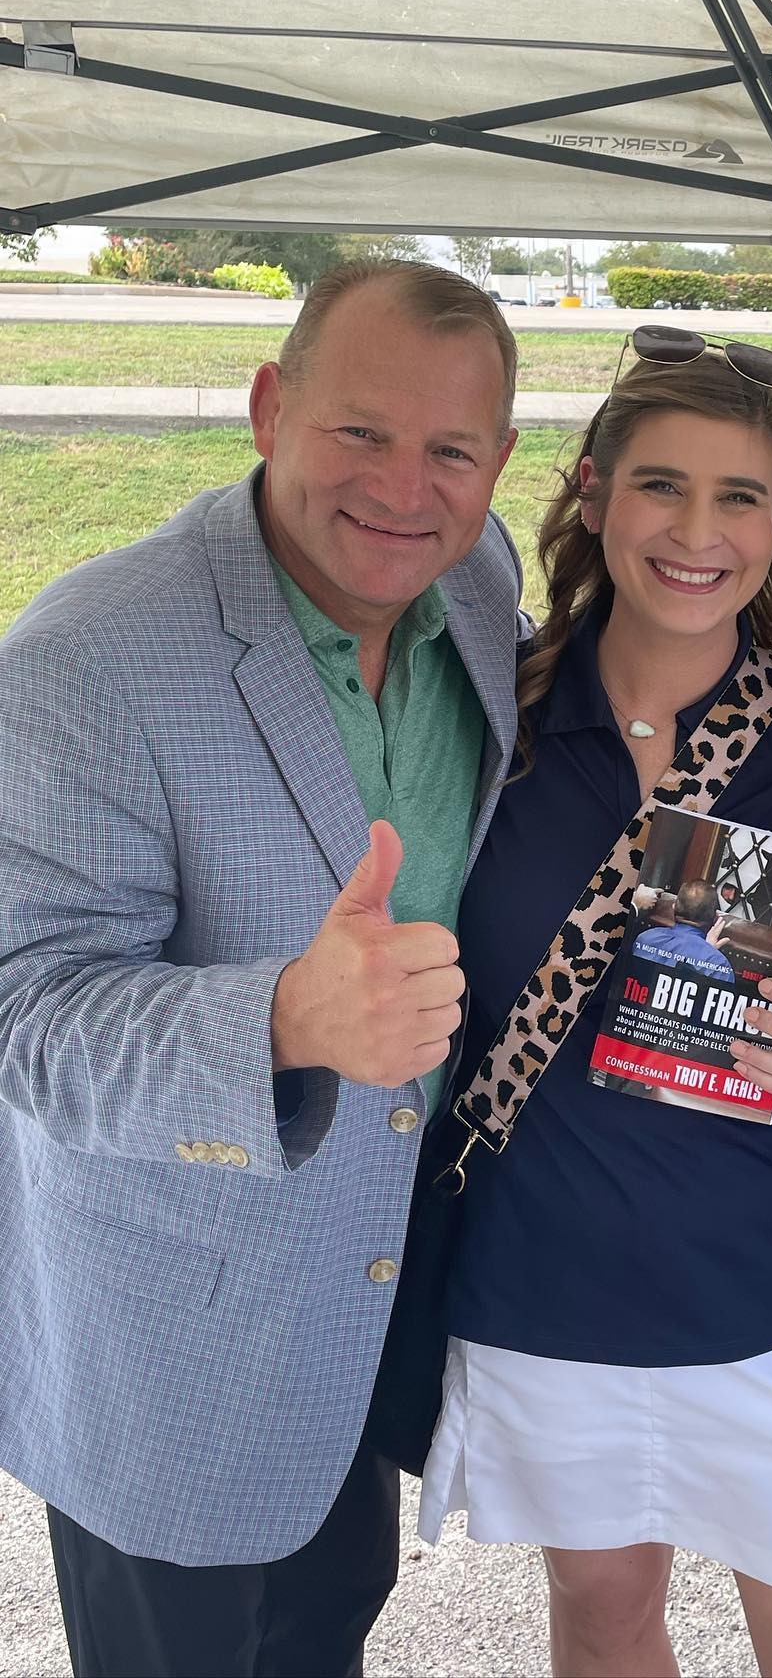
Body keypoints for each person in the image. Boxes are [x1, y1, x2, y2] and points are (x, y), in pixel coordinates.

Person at [0, 259, 524, 1678]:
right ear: (268, 407)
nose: (403, 488)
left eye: (450, 450)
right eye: (360, 432)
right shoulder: (85, 658)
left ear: (501, 466)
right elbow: (28, 1019)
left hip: (359, 1308)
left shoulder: (478, 586)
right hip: (170, 1347)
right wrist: (282, 1015)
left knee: (319, 1637)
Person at [417, 341, 772, 1678]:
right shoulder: (490, 717)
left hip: (761, 1278)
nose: (699, 534)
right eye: (660, 487)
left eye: (741, 498)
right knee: (601, 1613)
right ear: (593, 495)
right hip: (541, 1283)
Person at [633, 878, 738, 981]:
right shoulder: (719, 966)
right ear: (715, 918)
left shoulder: (645, 939)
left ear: (674, 907)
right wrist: (707, 954)